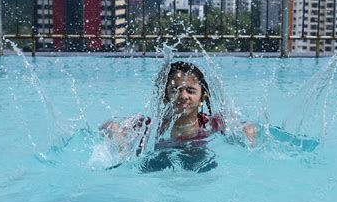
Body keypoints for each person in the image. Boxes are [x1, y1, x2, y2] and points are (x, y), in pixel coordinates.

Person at [101, 61, 256, 149]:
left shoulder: (212, 124)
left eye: (190, 90)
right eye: (175, 90)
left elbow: (245, 128)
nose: (183, 96)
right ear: (165, 96)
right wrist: (119, 142)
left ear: (203, 97)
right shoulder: (150, 126)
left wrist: (247, 133)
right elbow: (110, 126)